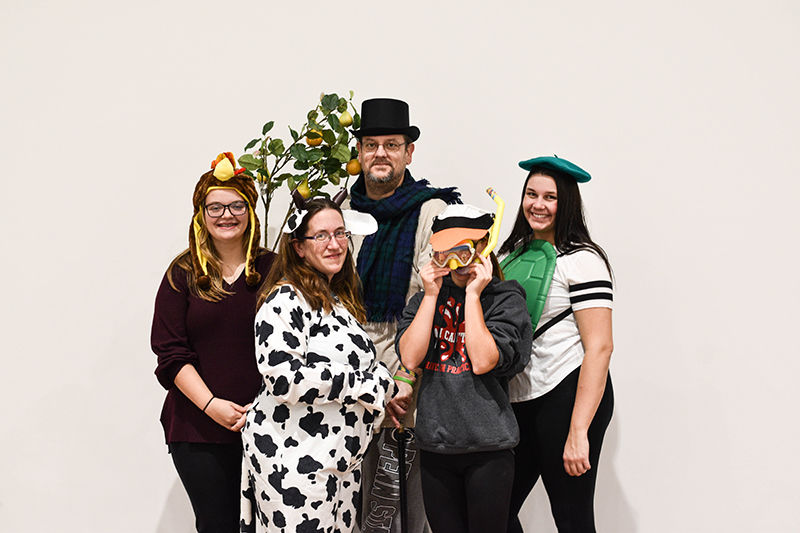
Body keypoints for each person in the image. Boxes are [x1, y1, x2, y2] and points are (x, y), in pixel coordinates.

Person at [240, 198, 396, 533]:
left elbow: (365, 369)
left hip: (338, 464)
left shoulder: (337, 301)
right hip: (295, 464)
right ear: (298, 247)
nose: (335, 243)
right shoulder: (284, 300)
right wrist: (368, 385)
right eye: (321, 236)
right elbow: (284, 379)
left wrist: (380, 381)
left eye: (340, 233)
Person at [346, 97, 461, 533]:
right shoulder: (340, 212)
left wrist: (406, 378)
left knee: (407, 506)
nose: (380, 153)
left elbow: (441, 303)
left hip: (408, 375)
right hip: (350, 379)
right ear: (358, 152)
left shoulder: (431, 212)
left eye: (391, 145)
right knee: (356, 505)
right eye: (371, 144)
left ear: (408, 152)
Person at [151, 152, 274, 533]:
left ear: (250, 212)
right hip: (197, 429)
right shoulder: (182, 273)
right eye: (215, 206)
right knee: (217, 524)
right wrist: (211, 406)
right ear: (201, 214)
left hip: (269, 424)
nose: (226, 215)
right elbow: (170, 354)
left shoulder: (274, 269)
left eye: (237, 205)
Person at [396, 204, 533, 533]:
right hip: (435, 445)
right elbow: (410, 358)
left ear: (483, 247)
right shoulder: (424, 301)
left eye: (463, 250)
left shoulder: (506, 298)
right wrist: (429, 295)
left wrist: (473, 296)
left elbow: (485, 360)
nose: (454, 262)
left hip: (488, 448)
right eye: (444, 253)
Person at [499, 156, 614, 533]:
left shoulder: (583, 260)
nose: (538, 204)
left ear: (566, 204)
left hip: (565, 394)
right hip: (519, 397)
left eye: (550, 197)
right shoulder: (508, 255)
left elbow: (600, 347)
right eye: (531, 194)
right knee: (494, 511)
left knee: (571, 515)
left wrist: (578, 430)